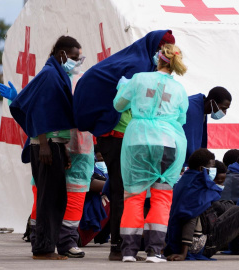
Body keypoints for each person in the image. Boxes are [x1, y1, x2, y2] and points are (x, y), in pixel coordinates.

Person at [74, 30, 175, 261]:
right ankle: (119, 248)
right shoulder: (137, 66)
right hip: (117, 136)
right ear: (155, 48)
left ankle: (124, 247)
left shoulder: (142, 65)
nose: (163, 54)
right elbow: (123, 102)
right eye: (162, 49)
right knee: (121, 191)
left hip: (123, 138)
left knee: (126, 191)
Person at [8, 36, 82, 260]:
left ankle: (46, 247)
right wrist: (43, 144)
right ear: (62, 55)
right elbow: (38, 110)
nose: (77, 62)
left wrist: (64, 148)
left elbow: (54, 115)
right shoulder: (50, 75)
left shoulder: (57, 75)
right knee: (48, 199)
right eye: (74, 57)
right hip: (45, 145)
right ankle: (43, 249)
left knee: (55, 197)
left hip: (53, 144)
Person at [113, 43, 188, 263]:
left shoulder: (138, 79)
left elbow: (118, 105)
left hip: (137, 141)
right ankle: (155, 251)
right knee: (161, 198)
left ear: (157, 59)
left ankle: (128, 252)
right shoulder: (179, 89)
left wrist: (123, 89)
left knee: (134, 197)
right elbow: (181, 119)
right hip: (167, 143)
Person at [183, 87, 232, 165]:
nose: (224, 112)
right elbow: (187, 141)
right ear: (212, 102)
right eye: (223, 108)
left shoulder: (202, 108)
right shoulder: (190, 108)